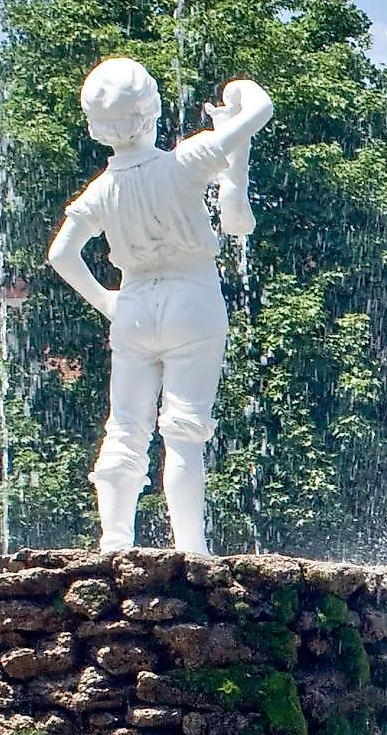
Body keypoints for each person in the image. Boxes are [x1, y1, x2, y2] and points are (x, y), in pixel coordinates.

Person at [46, 57, 272, 554]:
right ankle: (190, 546)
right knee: (184, 429)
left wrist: (106, 300)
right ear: (152, 111)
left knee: (125, 426)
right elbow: (260, 110)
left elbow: (61, 254)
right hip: (191, 298)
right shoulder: (184, 162)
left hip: (133, 304)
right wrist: (240, 91)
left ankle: (114, 540)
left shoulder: (101, 190)